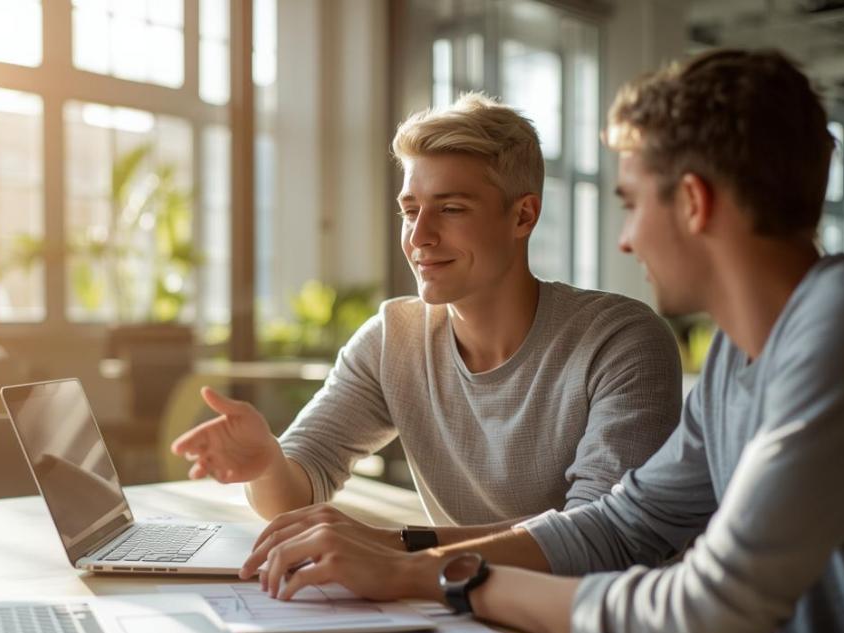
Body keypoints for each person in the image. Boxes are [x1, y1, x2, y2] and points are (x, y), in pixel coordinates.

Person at [243, 50, 844, 633]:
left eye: (629, 202)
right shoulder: (737, 355)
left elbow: (700, 621)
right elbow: (624, 524)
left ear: (691, 202)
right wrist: (405, 557)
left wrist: (443, 577)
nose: (624, 239)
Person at [171, 93, 683, 542]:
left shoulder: (621, 341)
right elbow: (297, 488)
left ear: (523, 215)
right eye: (410, 210)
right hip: (456, 604)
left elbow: (599, 536)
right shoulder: (393, 340)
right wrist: (266, 464)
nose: (419, 237)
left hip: (594, 615)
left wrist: (395, 549)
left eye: (451, 208)